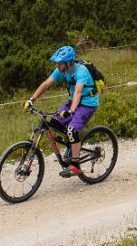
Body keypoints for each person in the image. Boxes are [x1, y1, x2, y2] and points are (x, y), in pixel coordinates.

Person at [27, 45, 100, 178]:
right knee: (54, 122)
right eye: (57, 63)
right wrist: (31, 99)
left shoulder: (81, 71)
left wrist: (71, 111)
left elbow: (78, 92)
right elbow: (46, 84)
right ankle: (71, 147)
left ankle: (75, 165)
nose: (58, 65)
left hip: (87, 104)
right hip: (73, 101)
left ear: (69, 62)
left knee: (72, 130)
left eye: (60, 63)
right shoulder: (61, 71)